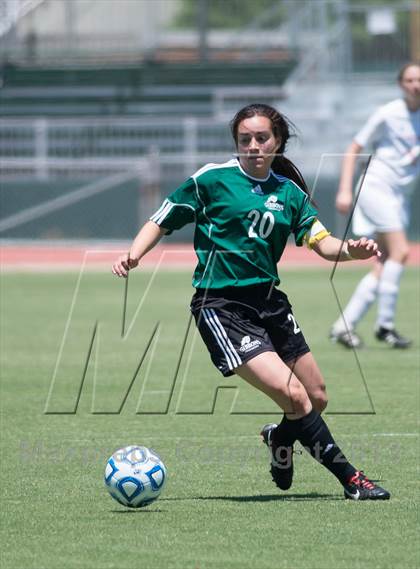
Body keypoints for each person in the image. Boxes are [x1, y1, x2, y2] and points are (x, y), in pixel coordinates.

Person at [112, 103, 390, 500]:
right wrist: (134, 254)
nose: (254, 146)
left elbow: (322, 242)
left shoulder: (289, 192)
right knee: (294, 396)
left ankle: (279, 437)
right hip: (222, 306)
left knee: (316, 397)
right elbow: (162, 218)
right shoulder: (212, 179)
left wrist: (351, 251)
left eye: (262, 138)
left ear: (277, 142)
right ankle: (352, 479)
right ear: (236, 142)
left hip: (270, 302)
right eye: (245, 139)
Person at [330, 62, 420, 349]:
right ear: (400, 84)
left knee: (384, 263)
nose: (415, 85)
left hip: (399, 196)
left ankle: (343, 327)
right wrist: (344, 190)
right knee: (401, 251)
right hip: (376, 187)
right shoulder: (389, 113)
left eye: (419, 80)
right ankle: (385, 325)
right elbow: (354, 148)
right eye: (409, 80)